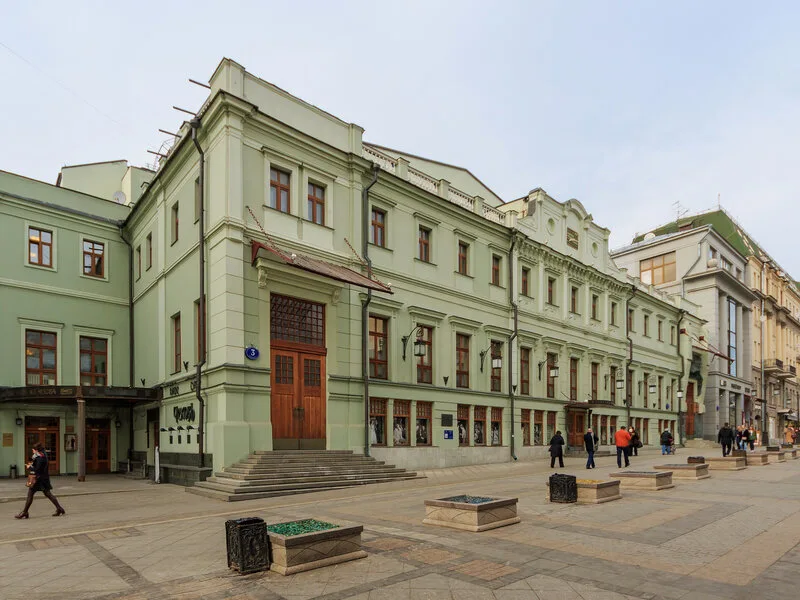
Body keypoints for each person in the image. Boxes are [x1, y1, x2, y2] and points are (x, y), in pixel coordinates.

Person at [15, 443, 65, 519]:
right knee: (48, 494)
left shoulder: (40, 458)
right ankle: (59, 509)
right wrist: (31, 463)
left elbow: (37, 469)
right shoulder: (41, 456)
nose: (32, 450)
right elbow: (36, 464)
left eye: (33, 449)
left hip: (38, 479)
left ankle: (25, 512)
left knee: (31, 494)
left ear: (37, 450)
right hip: (43, 478)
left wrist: (29, 467)